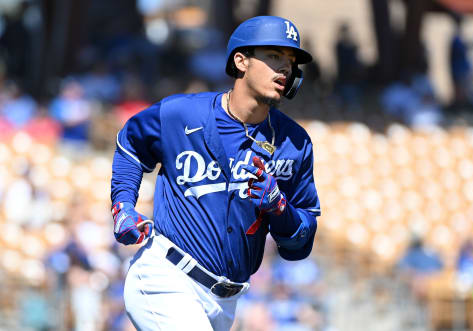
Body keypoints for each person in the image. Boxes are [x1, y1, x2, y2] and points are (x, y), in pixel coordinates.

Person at [110, 15, 321, 330]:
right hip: (166, 277)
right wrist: (123, 204)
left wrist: (280, 208)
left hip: (227, 302)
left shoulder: (294, 143)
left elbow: (300, 243)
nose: (284, 69)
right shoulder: (180, 114)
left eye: (290, 62)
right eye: (274, 56)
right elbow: (130, 143)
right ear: (241, 61)